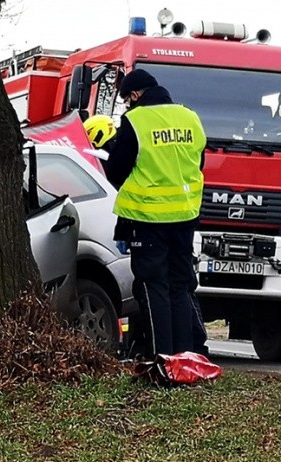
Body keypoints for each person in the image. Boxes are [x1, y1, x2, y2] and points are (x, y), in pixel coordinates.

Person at [96, 69, 207, 359]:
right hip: (185, 215)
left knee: (152, 286)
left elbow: (117, 169)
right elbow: (199, 162)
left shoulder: (135, 120)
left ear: (134, 95)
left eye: (126, 101)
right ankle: (185, 359)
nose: (127, 107)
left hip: (148, 219)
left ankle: (162, 358)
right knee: (180, 286)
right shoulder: (190, 118)